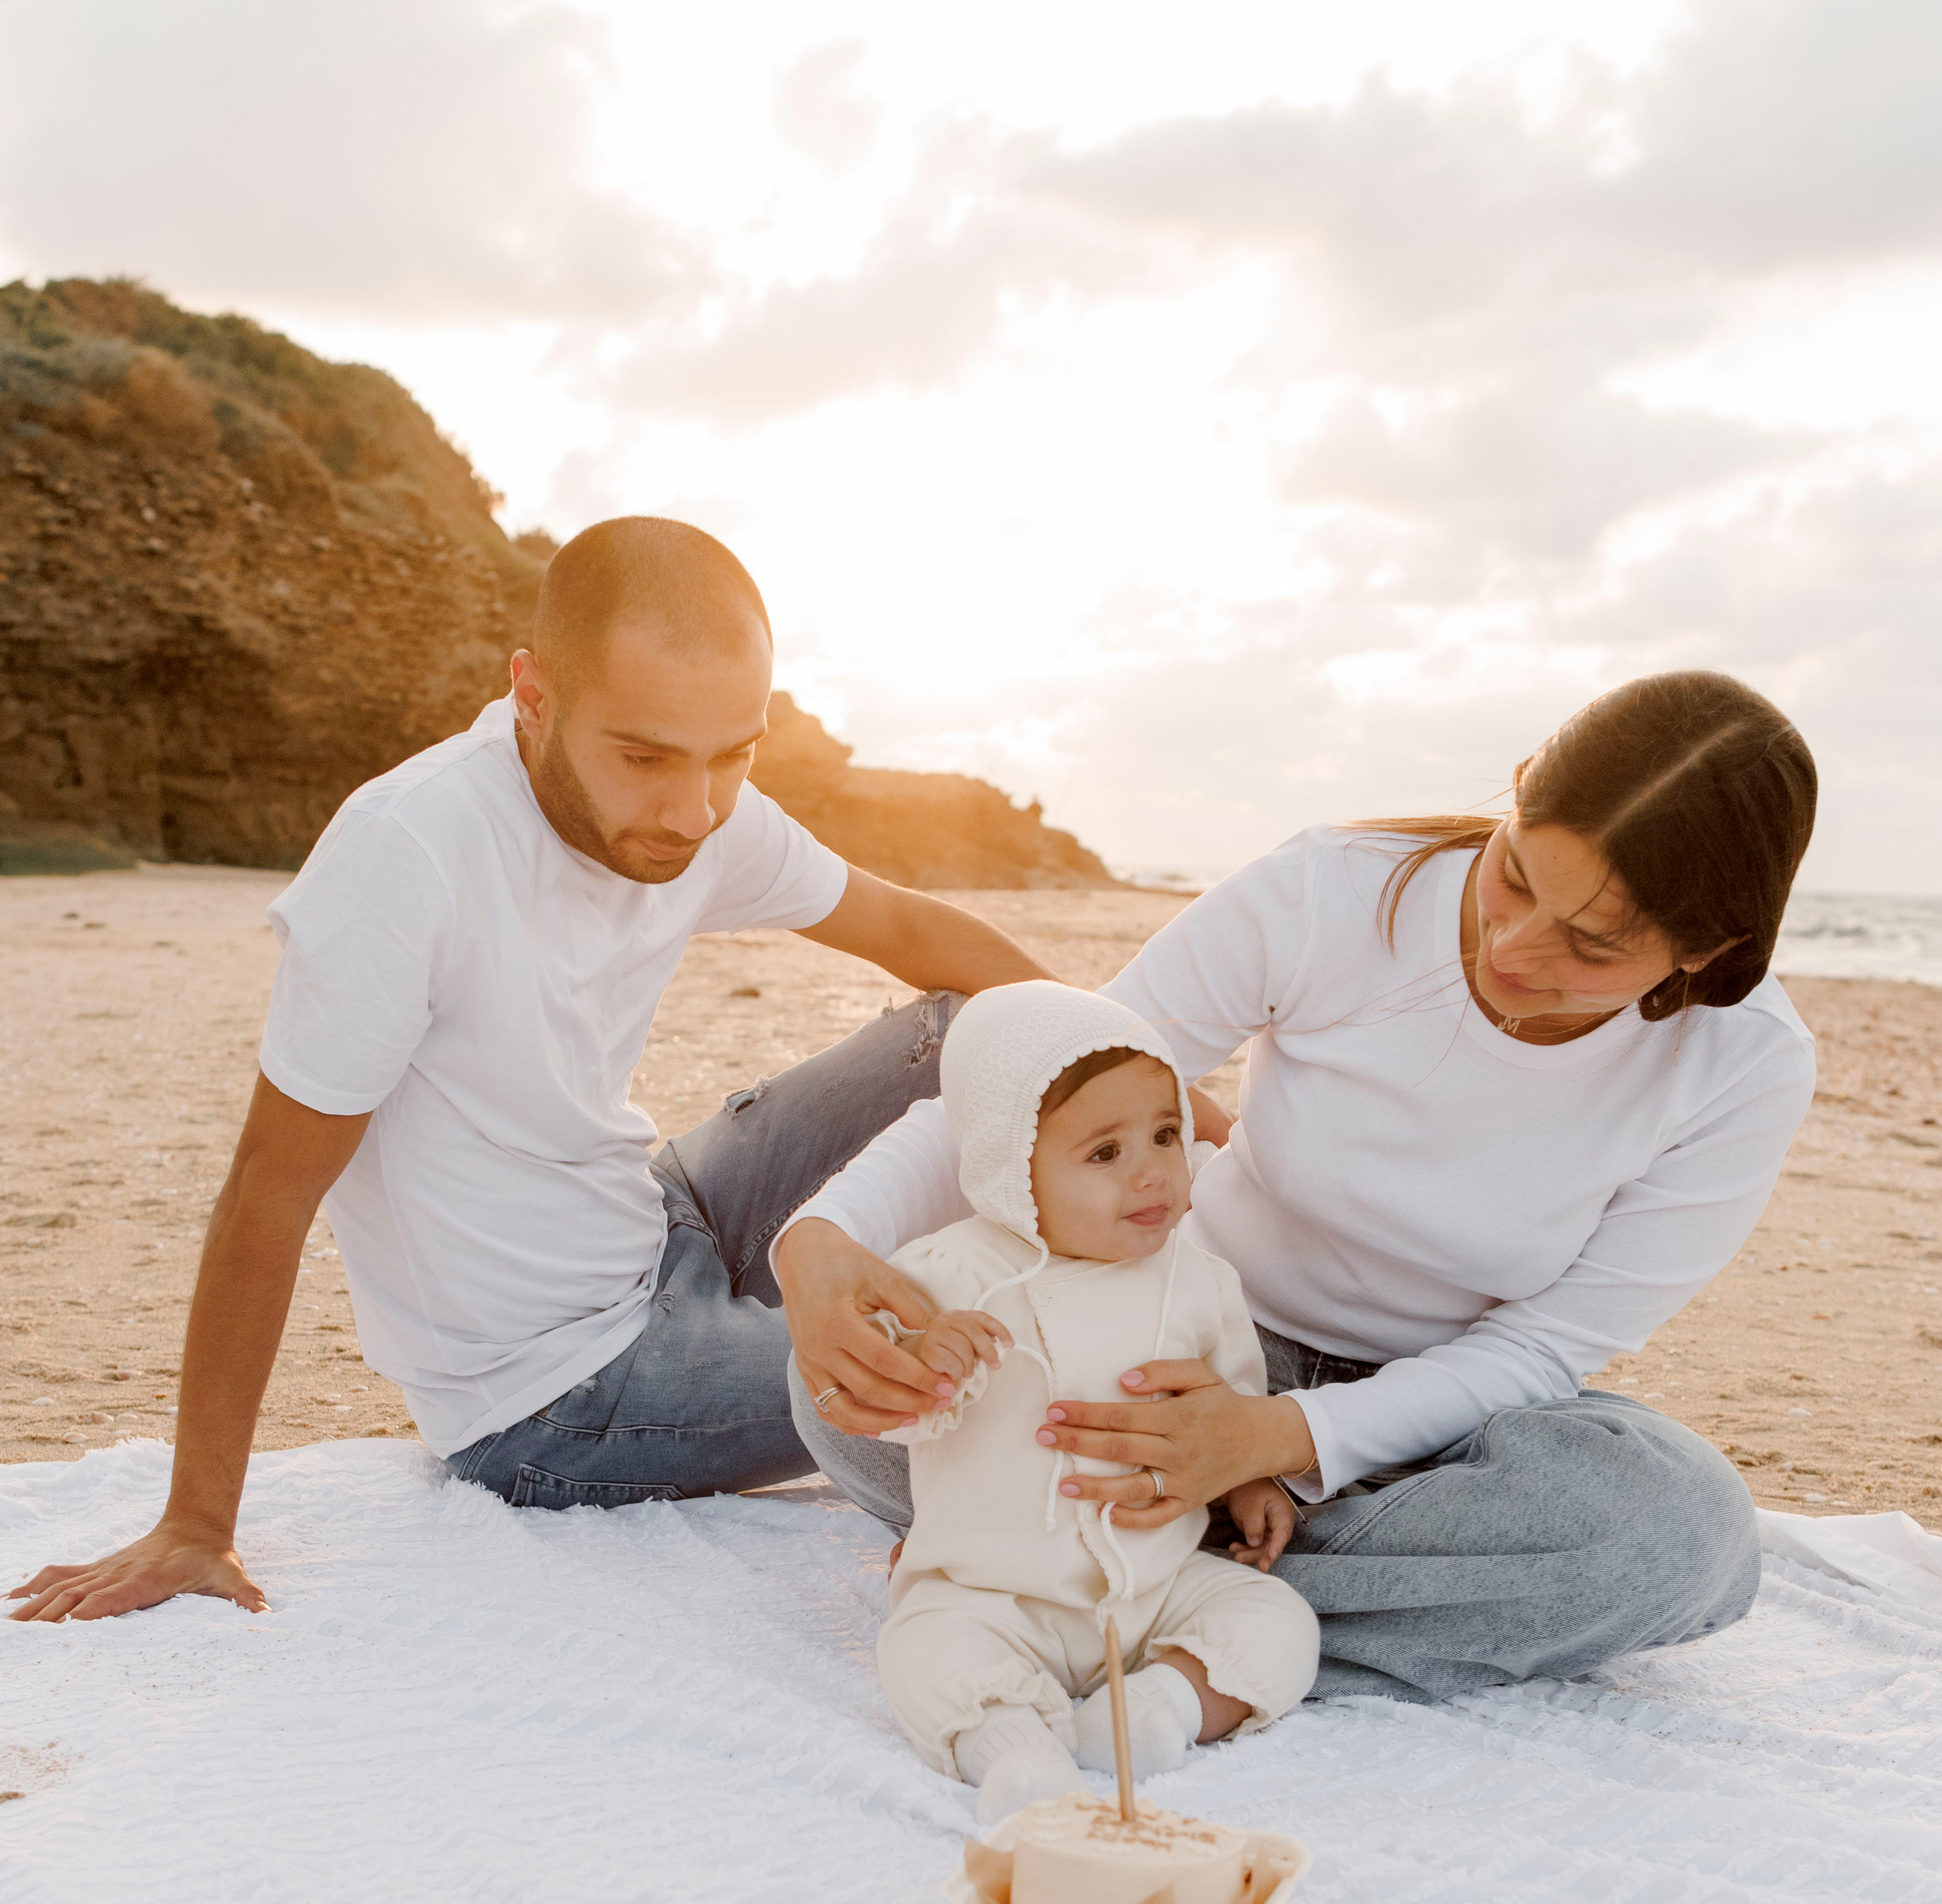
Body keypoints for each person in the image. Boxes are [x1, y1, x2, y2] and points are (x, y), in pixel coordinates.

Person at [8, 517, 1050, 1623]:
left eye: (733, 757)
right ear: (533, 696)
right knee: (989, 1377)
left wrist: (1150, 1075)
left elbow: (911, 927)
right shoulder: (409, 854)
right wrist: (194, 1527)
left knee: (984, 1032)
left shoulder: (700, 810)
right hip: (553, 1398)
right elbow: (268, 1193)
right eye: (644, 758)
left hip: (660, 1219)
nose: (693, 811)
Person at [779, 671, 1819, 1703]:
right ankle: (1217, 1596)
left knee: (1682, 1544)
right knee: (847, 1404)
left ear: (1707, 949)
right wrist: (824, 1239)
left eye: (1589, 945)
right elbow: (1046, 1088)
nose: (1512, 946)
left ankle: (1087, 1576)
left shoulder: (1745, 1064)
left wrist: (1274, 1444)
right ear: (1516, 789)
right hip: (1176, 1342)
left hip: (1435, 1428)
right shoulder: (1333, 888)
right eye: (1513, 877)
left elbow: (1543, 1351)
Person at [865, 981, 1319, 1816]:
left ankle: (1160, 1710)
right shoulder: (952, 1275)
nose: (1152, 1172)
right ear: (1009, 1172)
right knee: (924, 1647)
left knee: (1279, 1622)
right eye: (1104, 1154)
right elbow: (893, 1416)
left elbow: (1231, 1411)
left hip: (1156, 1587)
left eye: (1166, 1134)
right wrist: (926, 1365)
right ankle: (1009, 1747)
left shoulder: (1198, 1280)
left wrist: (1249, 1482)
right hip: (991, 1591)